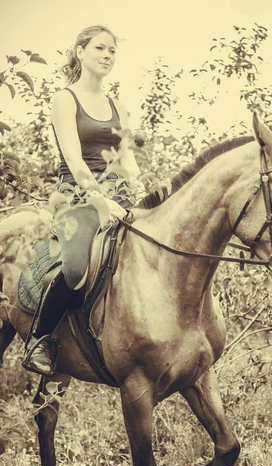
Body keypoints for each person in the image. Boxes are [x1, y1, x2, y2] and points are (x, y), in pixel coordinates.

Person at [23, 25, 170, 376]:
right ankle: (39, 341)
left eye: (112, 51)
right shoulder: (65, 99)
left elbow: (126, 159)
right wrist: (102, 200)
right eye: (100, 49)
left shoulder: (118, 106)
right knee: (75, 268)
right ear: (80, 52)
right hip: (76, 198)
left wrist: (140, 192)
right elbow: (74, 161)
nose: (107, 56)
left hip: (119, 195)